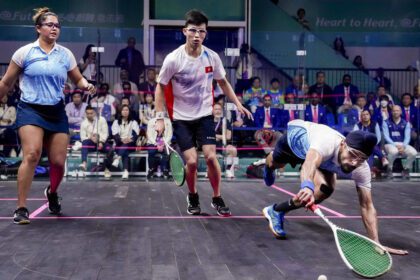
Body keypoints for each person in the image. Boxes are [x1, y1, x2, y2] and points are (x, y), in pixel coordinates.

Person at [0, 7, 95, 224]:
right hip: (30, 109)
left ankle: (52, 192)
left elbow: (77, 79)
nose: (54, 28)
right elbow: (6, 82)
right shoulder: (24, 53)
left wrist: (85, 85)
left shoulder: (65, 54)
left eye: (57, 25)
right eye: (50, 25)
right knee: (32, 154)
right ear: (38, 28)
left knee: (59, 163)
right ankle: (21, 207)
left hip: (56, 111)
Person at [154, 10, 252, 216]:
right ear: (184, 31)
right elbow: (160, 86)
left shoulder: (212, 57)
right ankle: (193, 196)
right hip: (181, 118)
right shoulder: (173, 59)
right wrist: (160, 118)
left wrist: (237, 104)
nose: (197, 35)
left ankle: (217, 197)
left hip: (204, 115)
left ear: (205, 34)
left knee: (210, 157)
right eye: (193, 31)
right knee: (190, 161)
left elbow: (223, 82)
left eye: (201, 31)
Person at [262, 120, 408, 255]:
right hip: (295, 142)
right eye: (353, 155)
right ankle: (268, 165)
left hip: (324, 160)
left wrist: (376, 242)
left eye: (361, 159)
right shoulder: (326, 142)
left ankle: (276, 211)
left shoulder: (361, 168)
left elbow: (367, 206)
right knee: (276, 164)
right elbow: (310, 163)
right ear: (343, 144)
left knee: (326, 190)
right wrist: (307, 186)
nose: (354, 163)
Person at [383, 105, 417, 179]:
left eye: (397, 110)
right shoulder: (386, 122)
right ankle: (389, 169)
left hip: (402, 144)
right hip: (390, 144)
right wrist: (395, 145)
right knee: (394, 151)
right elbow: (386, 136)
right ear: (391, 112)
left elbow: (407, 137)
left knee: (413, 153)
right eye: (394, 110)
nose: (395, 112)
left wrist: (403, 146)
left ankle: (406, 169)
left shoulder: (406, 123)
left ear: (401, 112)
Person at [353, 109, 388, 177]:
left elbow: (378, 137)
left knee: (370, 149)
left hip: (373, 145)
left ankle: (370, 170)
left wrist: (372, 143)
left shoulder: (375, 124)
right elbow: (355, 137)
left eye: (367, 114)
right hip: (361, 146)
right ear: (361, 117)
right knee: (370, 148)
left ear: (370, 116)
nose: (365, 116)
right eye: (363, 115)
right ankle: (383, 158)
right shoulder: (357, 125)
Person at [79, 105, 110, 177]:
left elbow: (106, 133)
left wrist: (101, 141)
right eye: (88, 113)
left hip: (101, 142)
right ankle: (84, 163)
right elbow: (83, 137)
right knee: (84, 143)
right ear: (85, 114)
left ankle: (106, 168)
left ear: (95, 113)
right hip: (91, 144)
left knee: (110, 150)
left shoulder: (102, 120)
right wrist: (90, 137)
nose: (89, 115)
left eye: (91, 113)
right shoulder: (83, 123)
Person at [111, 105, 139, 179]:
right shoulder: (116, 122)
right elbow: (115, 135)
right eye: (123, 110)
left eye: (127, 110)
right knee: (125, 150)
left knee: (126, 146)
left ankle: (118, 158)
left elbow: (136, 135)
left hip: (131, 144)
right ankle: (125, 171)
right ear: (120, 111)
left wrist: (130, 139)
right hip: (119, 144)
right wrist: (122, 140)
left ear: (129, 112)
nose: (125, 111)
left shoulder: (133, 122)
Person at [213, 103, 237, 178]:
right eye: (216, 109)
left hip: (222, 145)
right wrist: (221, 136)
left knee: (233, 150)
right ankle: (210, 171)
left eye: (219, 109)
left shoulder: (225, 121)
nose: (218, 111)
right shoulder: (208, 122)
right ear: (212, 111)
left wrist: (216, 136)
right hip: (210, 146)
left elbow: (228, 137)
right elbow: (205, 135)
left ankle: (228, 170)